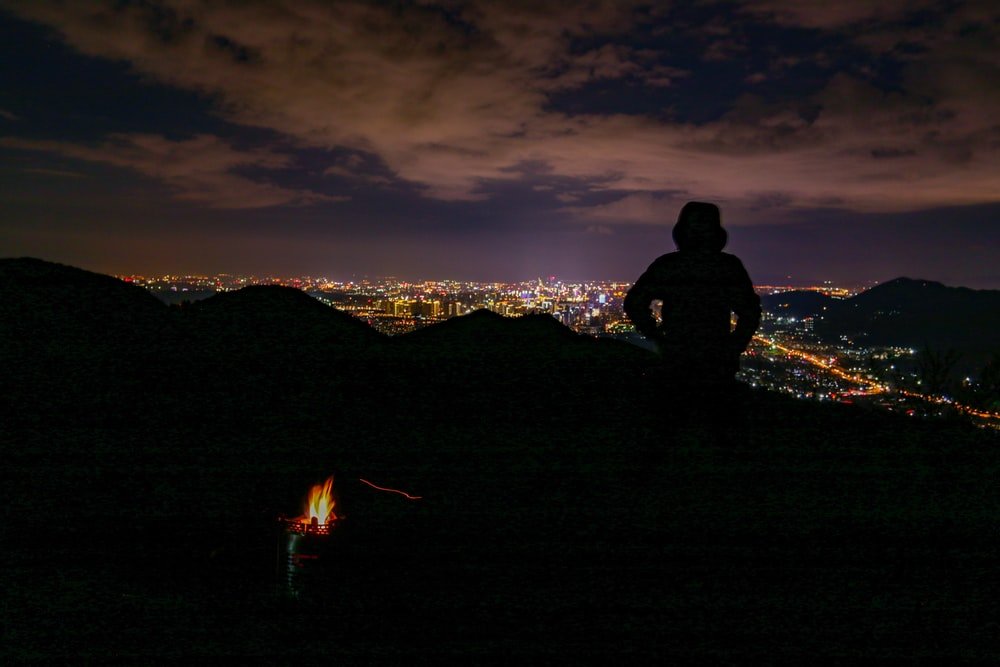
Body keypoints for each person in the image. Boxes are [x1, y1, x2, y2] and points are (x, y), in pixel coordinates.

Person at [624, 201, 760, 386]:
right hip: (715, 360)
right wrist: (733, 347)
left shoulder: (669, 265)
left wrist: (658, 337)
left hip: (677, 355)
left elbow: (634, 302)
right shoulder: (727, 266)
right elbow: (750, 312)